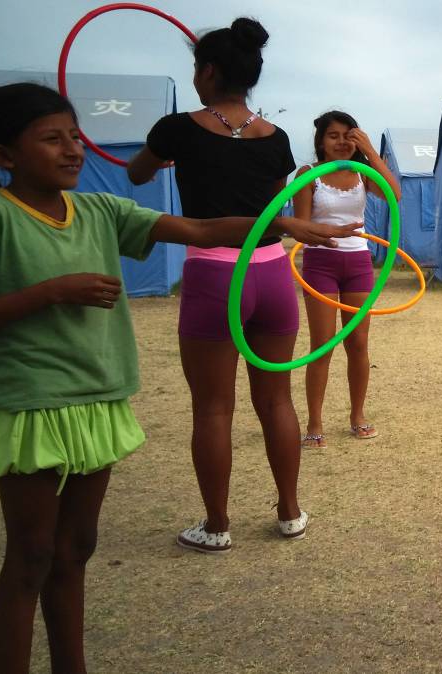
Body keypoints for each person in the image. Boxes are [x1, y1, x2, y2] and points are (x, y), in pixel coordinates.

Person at [0, 82, 353, 674]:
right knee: (30, 557)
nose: (73, 149)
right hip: (30, 409)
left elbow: (200, 231)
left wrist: (282, 225)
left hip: (98, 404)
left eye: (74, 136)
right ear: (2, 155)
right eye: (53, 139)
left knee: (76, 551)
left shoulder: (100, 210)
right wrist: (52, 293)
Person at [127, 18, 311, 552]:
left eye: (196, 69)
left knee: (212, 408)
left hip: (213, 270)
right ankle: (290, 513)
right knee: (276, 400)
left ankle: (216, 525)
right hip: (272, 269)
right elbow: (276, 209)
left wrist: (164, 152)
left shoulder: (177, 129)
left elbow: (138, 174)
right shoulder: (274, 137)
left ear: (208, 71)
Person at [293, 111, 401, 449]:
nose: (341, 142)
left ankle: (357, 416)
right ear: (321, 141)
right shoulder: (308, 175)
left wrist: (369, 151)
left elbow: (394, 194)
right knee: (322, 344)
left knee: (357, 344)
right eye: (333, 135)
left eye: (347, 136)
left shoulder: (363, 174)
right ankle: (314, 422)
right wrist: (329, 234)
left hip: (357, 261)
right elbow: (301, 227)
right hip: (320, 261)